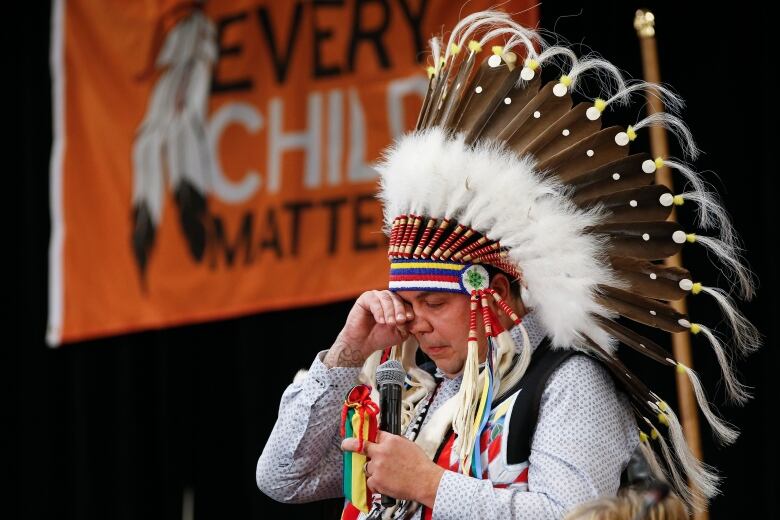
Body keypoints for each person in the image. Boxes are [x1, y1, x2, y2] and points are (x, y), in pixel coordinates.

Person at [257, 8, 759, 520]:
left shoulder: (570, 383)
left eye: (433, 301)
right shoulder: (413, 395)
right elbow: (282, 478)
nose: (417, 322)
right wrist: (346, 353)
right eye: (406, 303)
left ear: (494, 293)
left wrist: (430, 484)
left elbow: (569, 515)